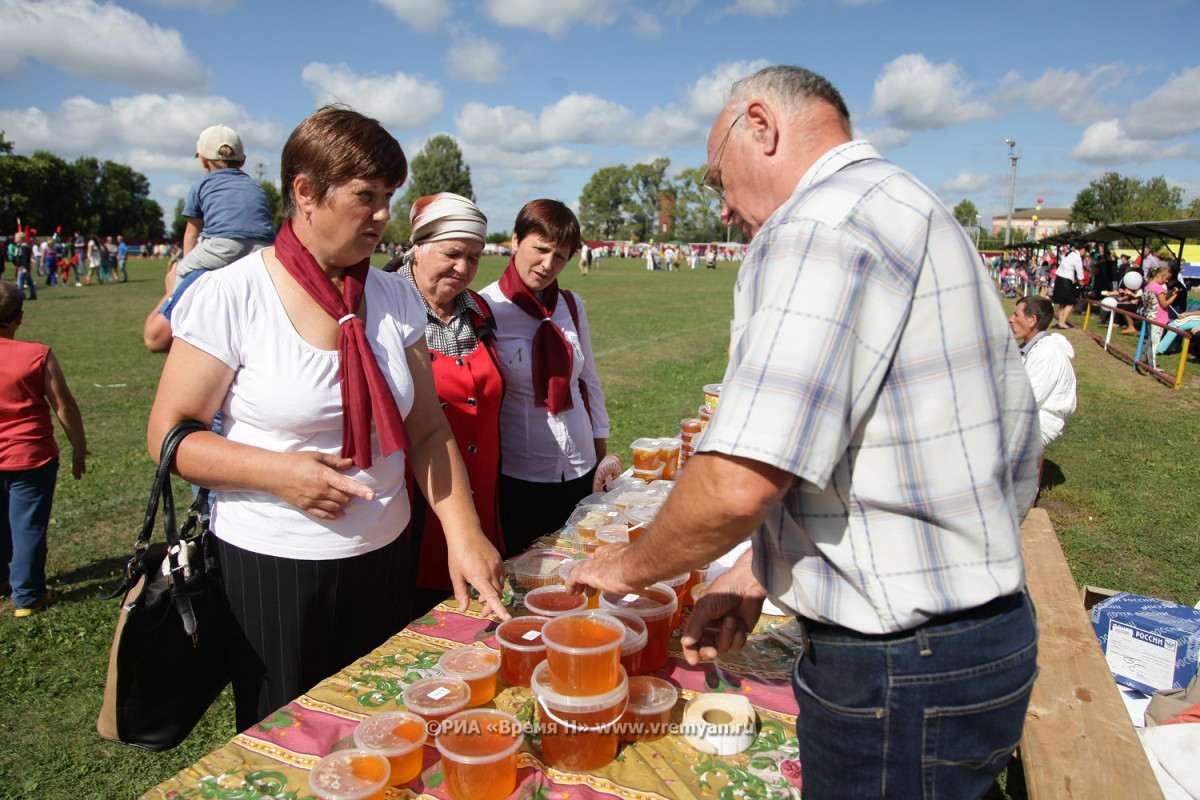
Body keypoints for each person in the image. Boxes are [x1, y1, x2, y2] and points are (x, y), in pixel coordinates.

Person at [568, 65, 1041, 800]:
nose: (722, 209)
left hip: (899, 663)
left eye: (715, 179)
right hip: (969, 639)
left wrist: (626, 566)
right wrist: (758, 569)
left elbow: (735, 484)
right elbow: (904, 451)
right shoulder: (906, 201)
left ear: (761, 125)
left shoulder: (821, 220)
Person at [146, 105, 509, 733]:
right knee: (287, 738)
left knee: (377, 728)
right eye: (366, 196)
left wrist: (463, 531)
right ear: (305, 193)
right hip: (274, 565)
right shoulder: (233, 293)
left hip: (383, 556)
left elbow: (425, 427)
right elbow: (168, 436)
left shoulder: (394, 296)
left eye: (388, 197)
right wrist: (279, 474)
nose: (382, 215)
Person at [392, 192, 506, 615]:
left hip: (483, 503)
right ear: (418, 247)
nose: (464, 268)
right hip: (414, 510)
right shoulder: (386, 307)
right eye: (453, 253)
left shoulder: (478, 310)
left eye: (475, 257)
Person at [479, 199, 610, 555]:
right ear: (515, 241)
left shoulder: (571, 304)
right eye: (540, 249)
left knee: (581, 568)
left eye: (561, 256)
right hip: (521, 477)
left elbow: (589, 383)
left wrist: (600, 457)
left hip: (580, 468)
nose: (548, 264)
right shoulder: (484, 308)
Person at [0, 281, 89, 617]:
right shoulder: (37, 354)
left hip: (21, 458)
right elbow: (63, 405)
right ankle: (28, 596)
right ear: (19, 317)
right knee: (28, 526)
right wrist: (78, 447)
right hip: (31, 457)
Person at [174, 124, 276, 283]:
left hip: (224, 243)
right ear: (243, 160)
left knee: (182, 271)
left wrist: (188, 265)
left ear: (203, 160)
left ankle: (176, 308)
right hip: (266, 246)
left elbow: (191, 234)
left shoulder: (202, 185)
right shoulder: (256, 186)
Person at [1009, 296, 1076, 446]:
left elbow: (1028, 401)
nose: (1010, 319)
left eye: (1016, 315)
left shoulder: (1047, 353)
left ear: (1032, 320)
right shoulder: (1035, 347)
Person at [1052, 242, 1086, 328]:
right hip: (1066, 281)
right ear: (1082, 249)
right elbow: (1079, 272)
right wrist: (1082, 283)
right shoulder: (1077, 257)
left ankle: (1060, 321)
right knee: (1071, 302)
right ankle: (1063, 322)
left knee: (1063, 303)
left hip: (1059, 278)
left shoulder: (1068, 254)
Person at [11, 233, 36, 300]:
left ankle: (20, 296)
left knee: (20, 282)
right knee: (29, 282)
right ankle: (33, 295)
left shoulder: (24, 247)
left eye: (16, 237)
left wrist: (25, 267)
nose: (15, 239)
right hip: (22, 266)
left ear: (20, 239)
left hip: (23, 267)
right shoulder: (20, 246)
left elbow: (25, 258)